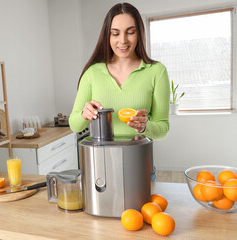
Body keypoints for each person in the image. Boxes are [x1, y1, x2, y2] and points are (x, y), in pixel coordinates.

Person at [69, 3, 170, 181]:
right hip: (100, 168)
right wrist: (84, 114)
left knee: (141, 210)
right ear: (107, 36)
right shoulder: (92, 73)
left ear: (139, 33)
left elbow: (163, 128)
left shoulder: (156, 71)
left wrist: (145, 126)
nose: (122, 40)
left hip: (140, 165)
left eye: (130, 32)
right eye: (115, 33)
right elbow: (75, 125)